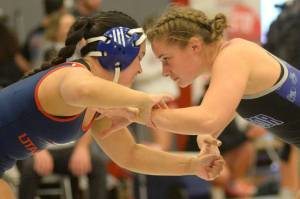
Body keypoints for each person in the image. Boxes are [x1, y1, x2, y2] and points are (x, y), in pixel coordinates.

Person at [0, 10, 224, 199]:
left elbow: (130, 154)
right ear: (119, 53)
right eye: (140, 57)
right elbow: (82, 90)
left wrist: (193, 166)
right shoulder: (72, 76)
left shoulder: (96, 104)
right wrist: (140, 99)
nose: (140, 69)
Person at [145, 4, 300, 193]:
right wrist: (206, 141)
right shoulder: (226, 66)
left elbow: (208, 119)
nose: (164, 71)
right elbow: (212, 123)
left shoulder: (233, 56)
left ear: (194, 45)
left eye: (166, 59)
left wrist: (141, 114)